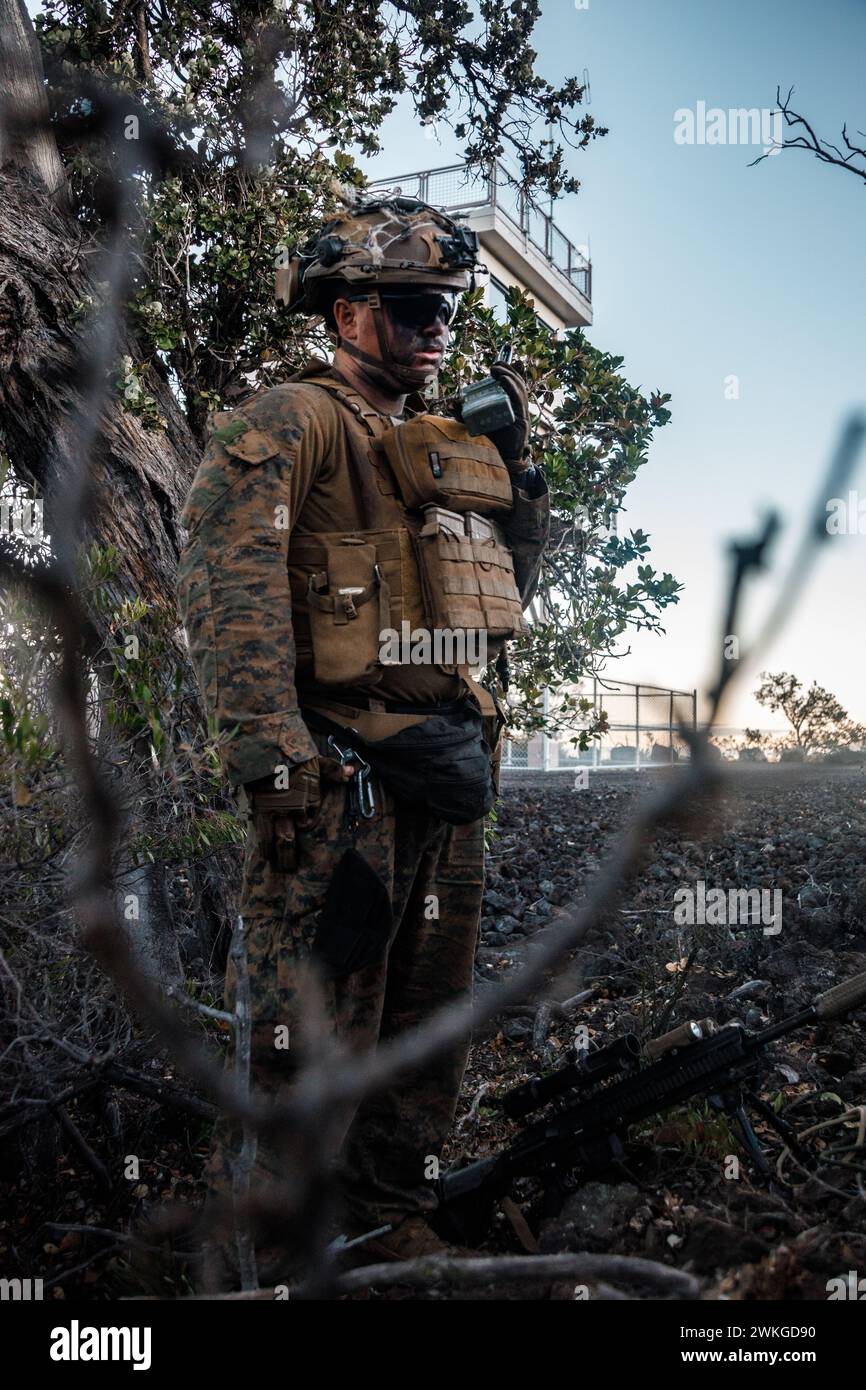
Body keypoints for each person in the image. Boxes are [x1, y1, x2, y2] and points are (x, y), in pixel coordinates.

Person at [177, 190, 550, 1285]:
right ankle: (286, 1248)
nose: (434, 326)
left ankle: (392, 1216)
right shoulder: (291, 421)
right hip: (339, 782)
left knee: (424, 1022)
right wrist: (270, 751)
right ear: (344, 314)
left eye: (443, 307)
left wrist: (517, 477)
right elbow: (225, 583)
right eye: (406, 305)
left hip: (444, 772)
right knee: (311, 1027)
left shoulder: (440, 447)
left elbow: (502, 592)